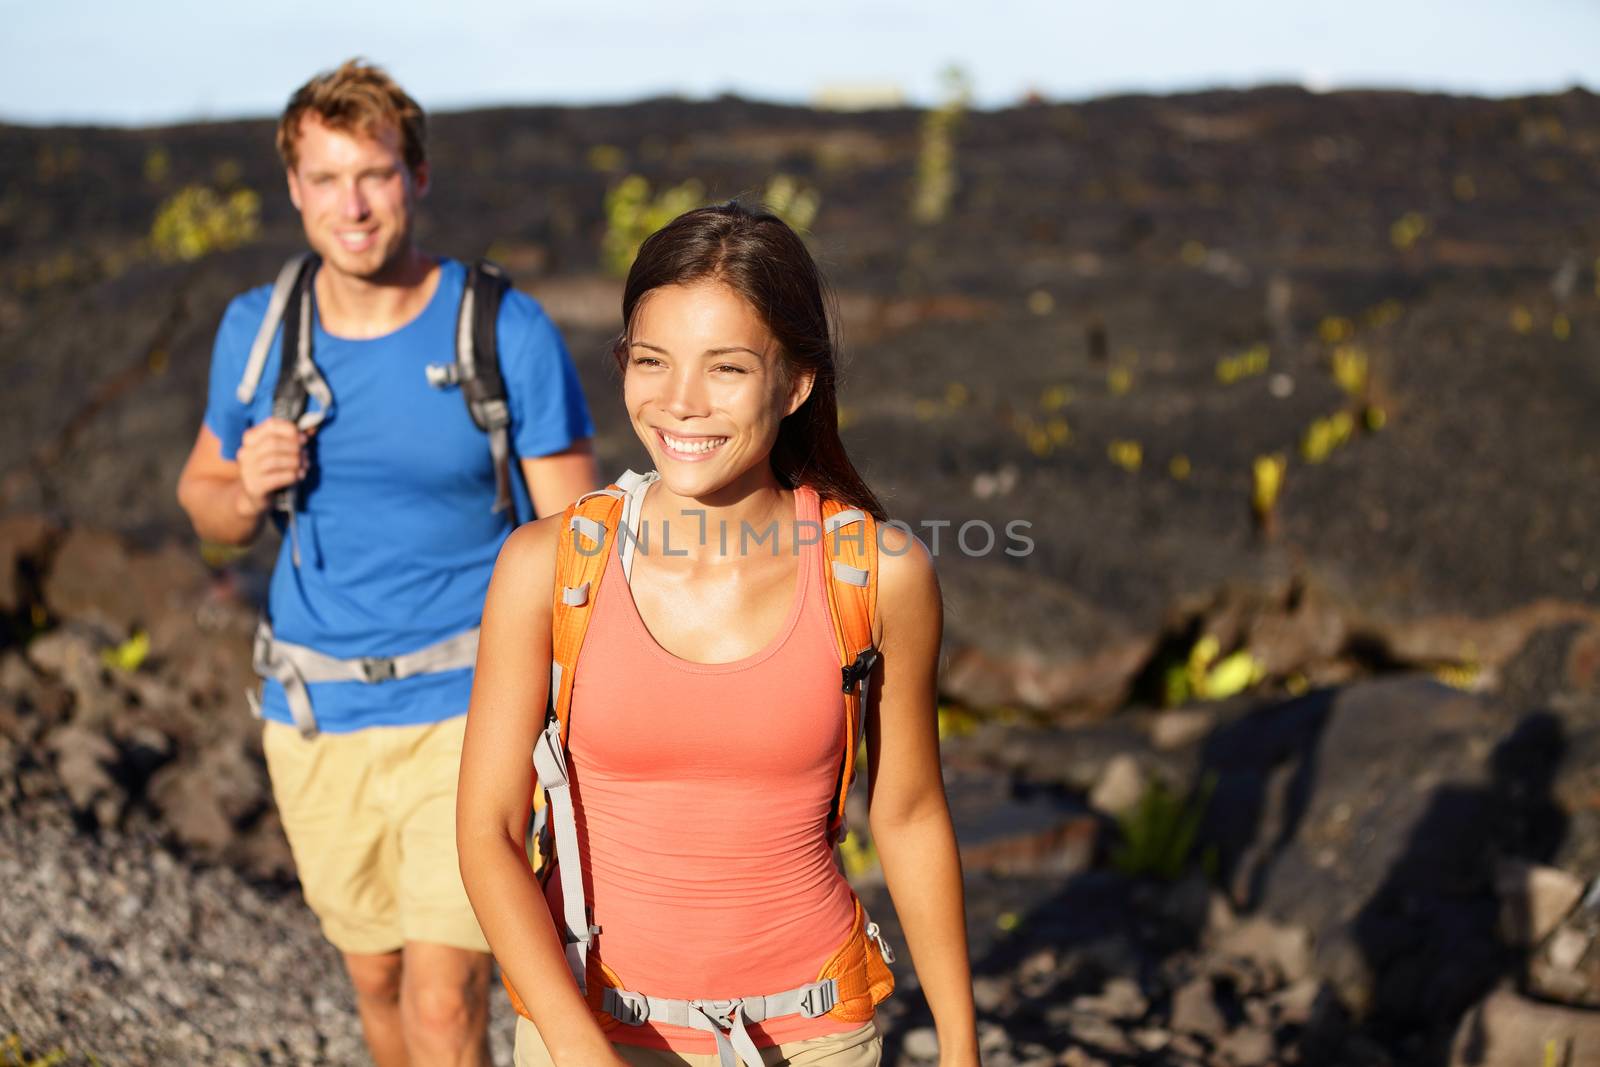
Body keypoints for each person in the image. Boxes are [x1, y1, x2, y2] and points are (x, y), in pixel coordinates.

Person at [457, 202, 980, 1067]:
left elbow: (912, 812)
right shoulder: (545, 567)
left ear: (797, 382)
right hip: (588, 1033)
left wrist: (961, 1048)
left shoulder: (880, 573)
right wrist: (577, 1046)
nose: (680, 403)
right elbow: (487, 831)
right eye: (652, 361)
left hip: (813, 1039)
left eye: (727, 368)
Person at [175, 59, 598, 1066]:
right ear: (294, 188)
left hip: (470, 706)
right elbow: (205, 503)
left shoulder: (502, 327)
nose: (351, 205)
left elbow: (576, 542)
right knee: (373, 976)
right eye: (326, 179)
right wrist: (244, 486)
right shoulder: (260, 330)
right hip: (313, 712)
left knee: (445, 993)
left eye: (372, 173)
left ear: (415, 175)